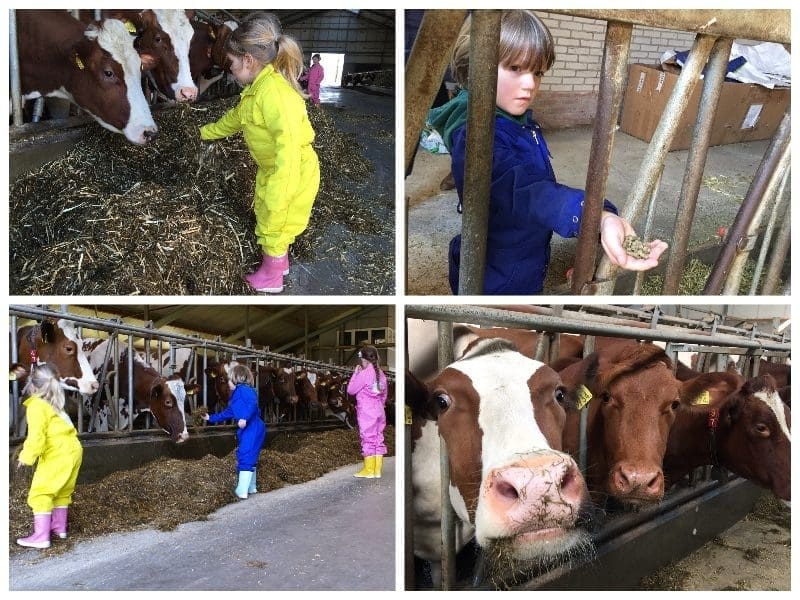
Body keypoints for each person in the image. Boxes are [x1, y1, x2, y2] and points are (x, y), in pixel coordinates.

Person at [426, 10, 668, 295]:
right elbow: (526, 190)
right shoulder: (477, 135)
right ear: (474, 66)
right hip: (499, 277)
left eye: (537, 72)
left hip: (521, 255)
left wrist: (603, 218)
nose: (530, 84)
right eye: (515, 68)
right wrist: (594, 216)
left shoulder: (514, 121)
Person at [200, 12, 320, 294]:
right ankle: (281, 262)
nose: (229, 69)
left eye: (230, 64)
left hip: (291, 171)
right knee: (275, 217)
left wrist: (281, 191)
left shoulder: (276, 95)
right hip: (274, 168)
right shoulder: (257, 90)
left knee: (274, 219)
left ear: (248, 61)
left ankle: (272, 276)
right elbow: (234, 120)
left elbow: (288, 150)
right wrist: (205, 132)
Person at [16, 364, 83, 549]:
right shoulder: (56, 404)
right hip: (73, 448)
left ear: (33, 384)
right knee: (62, 491)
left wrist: (26, 457)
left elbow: (37, 437)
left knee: (41, 492)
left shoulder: (36, 405)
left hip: (57, 452)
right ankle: (59, 528)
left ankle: (41, 537)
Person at [202, 363, 267, 499]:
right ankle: (251, 487)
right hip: (250, 428)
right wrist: (210, 417)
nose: (227, 383)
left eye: (229, 379)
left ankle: (241, 490)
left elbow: (252, 404)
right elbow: (227, 413)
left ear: (237, 379)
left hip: (252, 426)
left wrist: (245, 418)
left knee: (245, 454)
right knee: (251, 456)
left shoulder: (244, 390)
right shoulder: (235, 397)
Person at [346, 345, 389, 479]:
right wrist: (379, 406)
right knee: (378, 438)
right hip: (379, 410)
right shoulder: (381, 374)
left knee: (368, 438)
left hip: (367, 411)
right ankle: (377, 470)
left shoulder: (364, 374)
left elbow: (351, 390)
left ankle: (369, 470)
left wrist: (356, 374)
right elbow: (384, 394)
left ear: (363, 360)